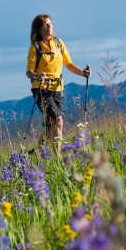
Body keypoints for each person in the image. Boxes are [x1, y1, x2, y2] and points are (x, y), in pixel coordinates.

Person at [26, 14, 91, 150]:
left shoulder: (59, 43)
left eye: (50, 23)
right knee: (58, 120)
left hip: (57, 88)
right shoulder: (35, 48)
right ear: (38, 29)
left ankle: (39, 152)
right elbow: (29, 72)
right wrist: (37, 77)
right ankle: (58, 157)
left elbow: (68, 64)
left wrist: (83, 73)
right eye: (45, 24)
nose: (49, 26)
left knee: (50, 124)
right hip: (41, 88)